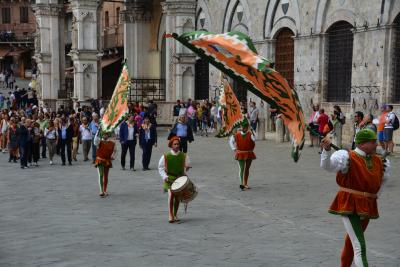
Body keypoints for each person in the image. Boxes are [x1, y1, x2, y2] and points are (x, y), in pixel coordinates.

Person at [320, 129, 390, 267]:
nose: (376, 145)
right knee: (359, 244)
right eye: (373, 142)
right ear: (363, 144)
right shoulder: (346, 156)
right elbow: (327, 166)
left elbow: (383, 181)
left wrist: (375, 197)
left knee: (351, 242)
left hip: (368, 205)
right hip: (349, 204)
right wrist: (327, 151)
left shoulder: (380, 161)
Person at [158, 136, 191, 223]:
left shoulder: (184, 156)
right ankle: (170, 214)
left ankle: (175, 214)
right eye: (175, 144)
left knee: (177, 197)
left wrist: (187, 167)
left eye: (178, 144)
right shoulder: (165, 156)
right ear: (171, 145)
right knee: (171, 196)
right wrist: (165, 177)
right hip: (170, 179)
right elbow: (160, 168)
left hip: (180, 179)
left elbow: (186, 165)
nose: (177, 145)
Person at [229, 120, 256, 190]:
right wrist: (234, 149)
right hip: (240, 153)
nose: (245, 128)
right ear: (241, 127)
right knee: (241, 169)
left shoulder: (250, 134)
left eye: (246, 127)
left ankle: (245, 183)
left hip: (249, 153)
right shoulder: (236, 134)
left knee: (247, 169)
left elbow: (255, 138)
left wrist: (252, 130)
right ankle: (241, 184)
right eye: (244, 127)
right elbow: (231, 141)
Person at [94, 131, 116, 198]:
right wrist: (98, 131)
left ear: (108, 135)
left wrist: (113, 156)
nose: (105, 136)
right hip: (100, 160)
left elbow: (115, 150)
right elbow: (95, 140)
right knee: (101, 174)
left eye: (106, 134)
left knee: (106, 176)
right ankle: (101, 191)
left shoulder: (112, 143)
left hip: (107, 161)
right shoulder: (99, 142)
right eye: (104, 134)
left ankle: (105, 190)